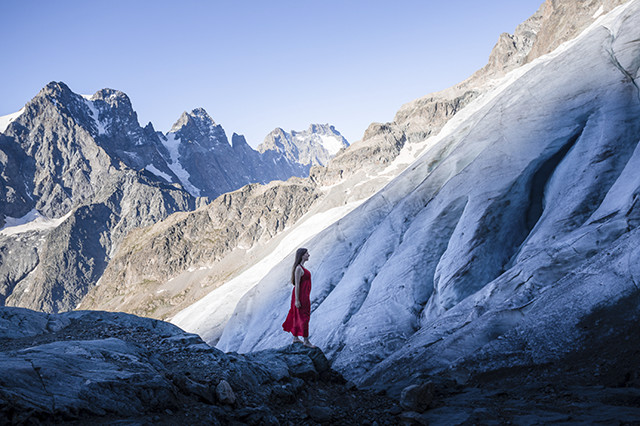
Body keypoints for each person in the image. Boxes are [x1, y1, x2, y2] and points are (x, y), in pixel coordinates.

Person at [282, 247, 317, 348]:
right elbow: (297, 285)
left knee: (299, 316)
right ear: (302, 255)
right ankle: (306, 341)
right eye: (306, 253)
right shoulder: (298, 269)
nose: (308, 255)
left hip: (304, 295)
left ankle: (295, 338)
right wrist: (297, 300)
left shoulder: (301, 268)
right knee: (304, 317)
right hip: (300, 296)